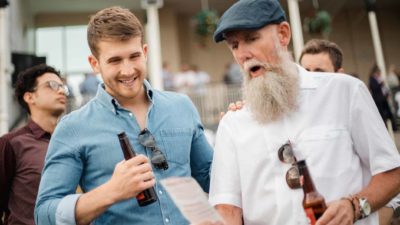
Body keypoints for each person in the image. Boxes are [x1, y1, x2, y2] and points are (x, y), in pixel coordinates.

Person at [209, 1, 400, 225]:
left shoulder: (345, 92)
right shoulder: (233, 123)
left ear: (283, 34)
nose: (243, 54)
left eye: (251, 39)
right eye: (234, 45)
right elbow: (227, 209)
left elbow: (392, 173)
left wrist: (355, 205)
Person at [35, 6, 213, 225]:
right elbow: (44, 214)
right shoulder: (72, 128)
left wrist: (239, 130)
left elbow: (211, 178)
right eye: (115, 60)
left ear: (145, 53)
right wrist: (111, 192)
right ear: (94, 64)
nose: (127, 70)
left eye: (134, 56)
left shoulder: (182, 106)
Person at [0, 64, 68, 225]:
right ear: (30, 97)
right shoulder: (11, 143)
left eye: (62, 86)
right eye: (51, 85)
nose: (61, 91)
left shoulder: (69, 143)